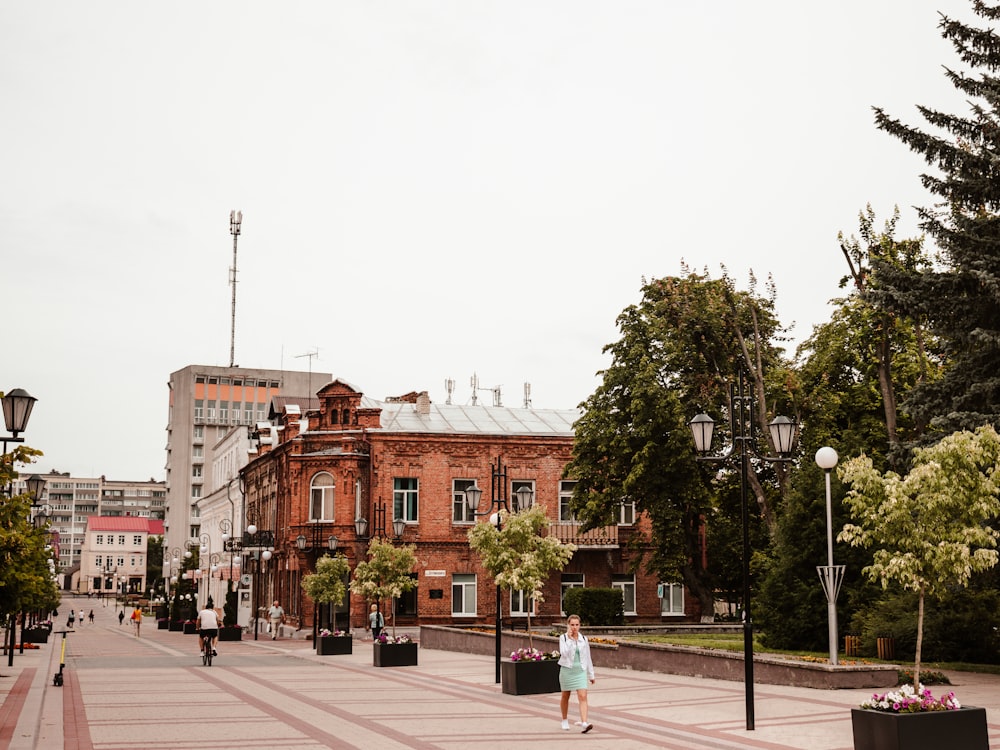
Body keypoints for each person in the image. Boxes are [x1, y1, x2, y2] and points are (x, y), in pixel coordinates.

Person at [558, 614, 595, 733]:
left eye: (577, 625)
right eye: (572, 625)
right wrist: (569, 640)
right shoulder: (563, 638)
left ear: (580, 625)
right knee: (565, 695)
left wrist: (591, 674)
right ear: (568, 625)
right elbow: (564, 654)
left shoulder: (583, 639)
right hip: (567, 670)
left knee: (583, 696)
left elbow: (588, 657)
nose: (574, 627)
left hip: (580, 670)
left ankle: (584, 722)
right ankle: (564, 720)